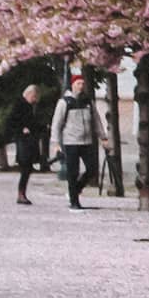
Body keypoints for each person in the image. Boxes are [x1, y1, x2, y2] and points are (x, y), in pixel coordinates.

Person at [49, 75, 109, 210]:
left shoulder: (88, 101)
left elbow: (96, 120)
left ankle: (75, 189)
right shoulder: (65, 102)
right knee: (72, 171)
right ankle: (74, 202)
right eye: (78, 83)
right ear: (72, 85)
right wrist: (56, 143)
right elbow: (56, 124)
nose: (80, 86)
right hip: (71, 141)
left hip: (87, 141)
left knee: (92, 168)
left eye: (82, 83)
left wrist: (103, 137)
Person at [8, 84, 43, 205]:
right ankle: (21, 193)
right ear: (28, 94)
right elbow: (12, 121)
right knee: (25, 167)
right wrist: (22, 129)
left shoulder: (30, 106)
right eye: (34, 96)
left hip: (30, 140)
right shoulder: (20, 105)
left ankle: (22, 193)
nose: (35, 99)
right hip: (23, 140)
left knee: (27, 168)